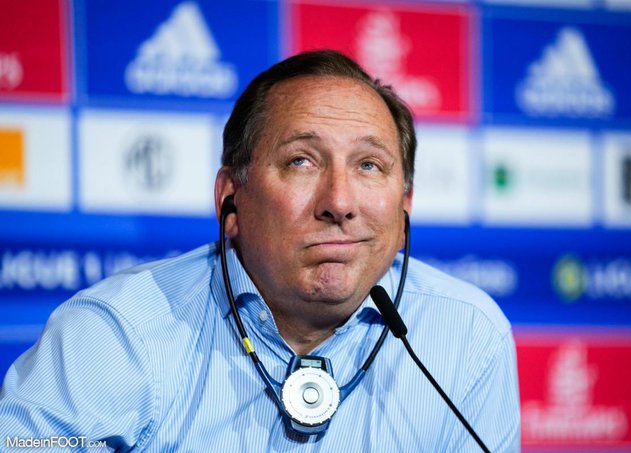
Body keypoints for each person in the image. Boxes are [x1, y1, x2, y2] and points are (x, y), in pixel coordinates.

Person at [0, 50, 520, 451]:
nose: (340, 203)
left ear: (404, 207)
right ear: (231, 197)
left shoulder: (467, 334)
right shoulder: (116, 332)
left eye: (369, 166)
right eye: (301, 161)